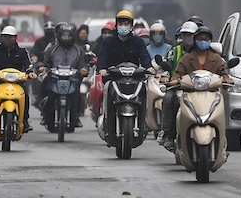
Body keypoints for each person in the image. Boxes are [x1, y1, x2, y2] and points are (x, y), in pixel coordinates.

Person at [163, 26, 232, 151]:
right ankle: (172, 134)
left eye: (206, 39)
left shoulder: (216, 58)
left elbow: (223, 71)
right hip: (190, 94)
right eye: (200, 39)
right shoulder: (186, 57)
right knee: (173, 103)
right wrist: (175, 80)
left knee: (222, 106)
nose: (203, 41)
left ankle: (222, 139)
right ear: (195, 40)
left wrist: (227, 79)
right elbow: (179, 72)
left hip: (211, 95)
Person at [96, 11, 154, 139]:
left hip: (134, 77)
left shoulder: (138, 42)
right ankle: (107, 124)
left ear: (131, 26)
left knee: (145, 90)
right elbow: (102, 56)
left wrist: (148, 67)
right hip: (114, 77)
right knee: (107, 90)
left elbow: (144, 56)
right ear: (116, 26)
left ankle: (144, 123)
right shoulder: (109, 41)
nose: (124, 26)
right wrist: (102, 69)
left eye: (126, 23)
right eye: (121, 23)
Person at [0, 26, 37, 133]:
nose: (7, 39)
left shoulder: (22, 51)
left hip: (17, 82)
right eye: (5, 37)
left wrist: (30, 73)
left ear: (15, 38)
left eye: (10, 37)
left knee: (25, 97)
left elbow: (28, 64)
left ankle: (24, 121)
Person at [36, 24, 90, 129]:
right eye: (64, 35)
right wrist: (42, 67)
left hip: (73, 79)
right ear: (58, 35)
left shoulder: (79, 51)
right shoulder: (52, 49)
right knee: (47, 93)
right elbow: (43, 61)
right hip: (54, 78)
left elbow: (84, 64)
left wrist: (84, 69)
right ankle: (46, 116)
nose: (66, 38)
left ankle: (76, 117)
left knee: (78, 96)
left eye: (69, 35)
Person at [158, 21, 197, 145]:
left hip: (199, 88)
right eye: (184, 35)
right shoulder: (175, 51)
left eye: (190, 35)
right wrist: (165, 77)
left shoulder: (203, 51)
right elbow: (166, 67)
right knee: (169, 99)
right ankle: (167, 133)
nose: (187, 38)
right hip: (177, 86)